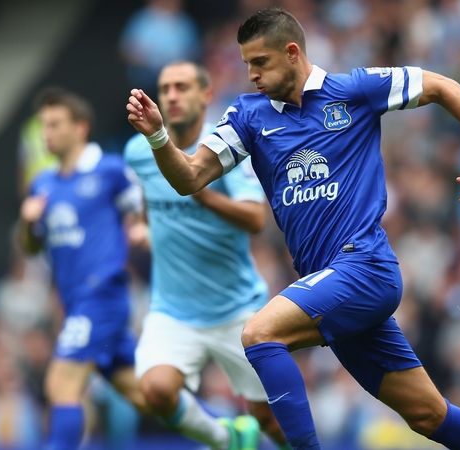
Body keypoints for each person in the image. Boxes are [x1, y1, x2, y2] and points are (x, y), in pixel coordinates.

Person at [126, 7, 460, 450]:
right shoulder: (248, 116)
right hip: (326, 282)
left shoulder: (354, 90)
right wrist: (159, 136)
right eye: (246, 64)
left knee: (260, 333)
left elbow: (442, 86)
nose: (251, 74)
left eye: (260, 63)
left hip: (364, 266)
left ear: (292, 53)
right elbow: (189, 177)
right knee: (429, 415)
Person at [124, 61, 290, 450]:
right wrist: (146, 228)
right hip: (173, 311)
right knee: (156, 391)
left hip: (237, 310)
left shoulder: (225, 148)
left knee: (270, 419)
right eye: (165, 89)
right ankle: (226, 439)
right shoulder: (138, 150)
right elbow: (150, 196)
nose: (172, 96)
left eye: (182, 87)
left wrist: (197, 189)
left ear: (206, 95)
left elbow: (254, 219)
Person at [20, 87, 150, 450]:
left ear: (81, 127)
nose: (48, 133)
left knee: (60, 384)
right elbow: (31, 247)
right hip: (75, 303)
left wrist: (141, 226)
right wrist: (28, 223)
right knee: (147, 395)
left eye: (55, 124)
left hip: (103, 294)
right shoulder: (42, 185)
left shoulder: (108, 170)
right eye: (44, 125)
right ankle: (229, 434)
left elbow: (142, 209)